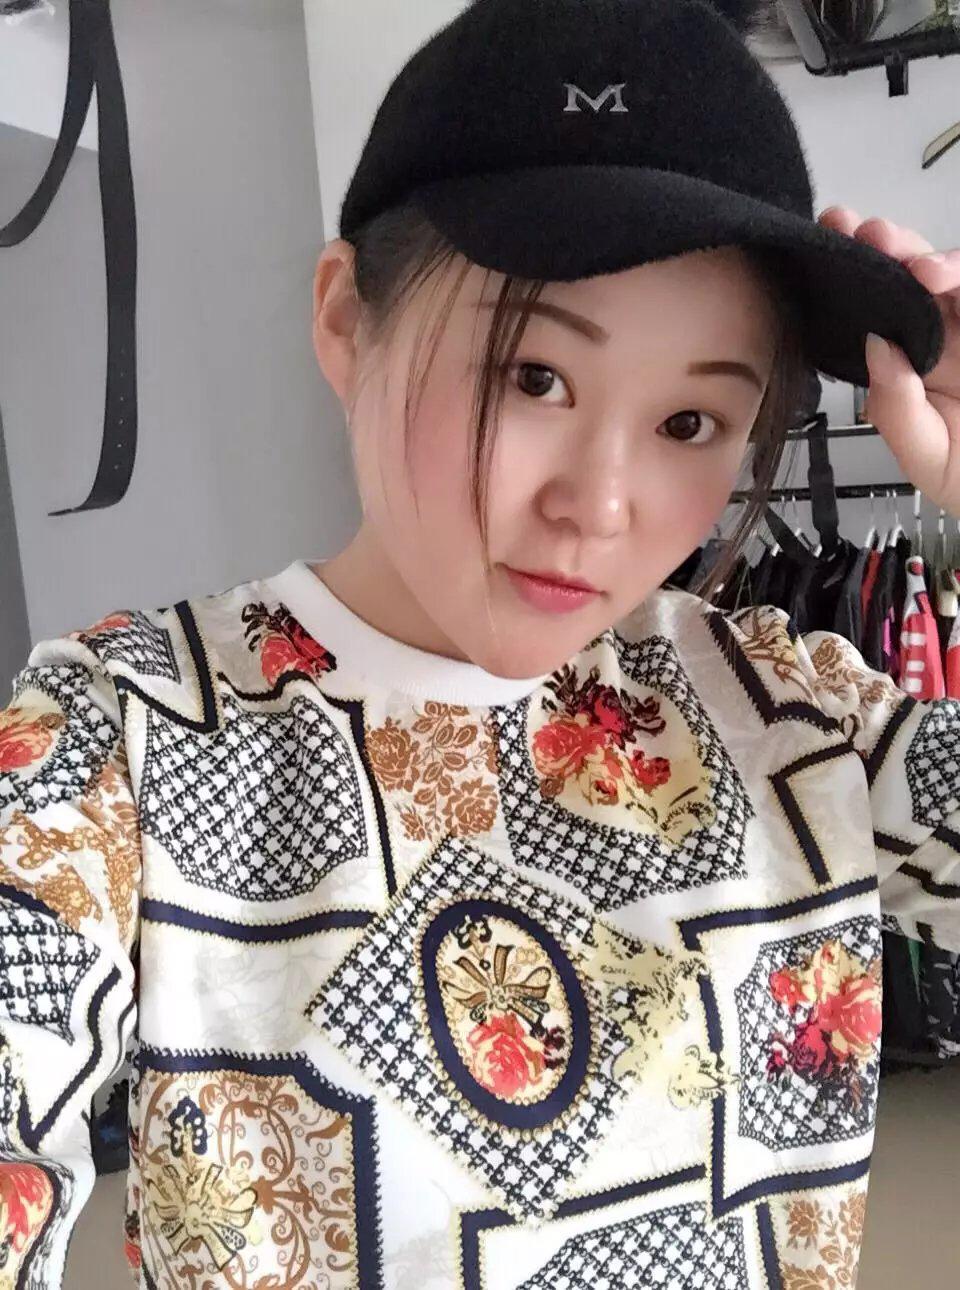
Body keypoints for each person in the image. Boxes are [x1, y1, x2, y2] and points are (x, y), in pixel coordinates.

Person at [2, 1, 959, 1286]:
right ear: (345, 320)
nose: (600, 507)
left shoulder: (789, 712)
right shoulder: (122, 747)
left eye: (689, 423)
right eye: (533, 377)